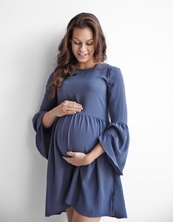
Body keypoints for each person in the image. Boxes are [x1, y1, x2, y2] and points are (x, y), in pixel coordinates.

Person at [32, 12, 130, 222]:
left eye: (89, 43)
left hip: (93, 162)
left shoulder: (111, 74)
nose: (82, 49)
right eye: (77, 42)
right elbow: (41, 120)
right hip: (64, 163)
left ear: (98, 43)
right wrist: (56, 111)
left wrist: (88, 158)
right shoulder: (59, 75)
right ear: (69, 42)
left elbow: (120, 126)